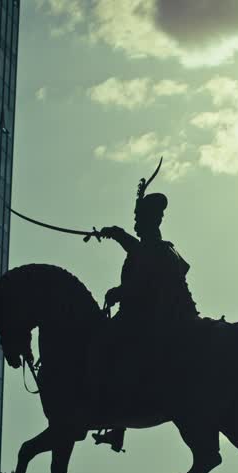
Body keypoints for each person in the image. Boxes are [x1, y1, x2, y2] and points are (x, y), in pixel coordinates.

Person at [91, 191, 198, 451]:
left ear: (151, 220)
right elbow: (135, 248)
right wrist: (115, 233)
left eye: (139, 217)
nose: (136, 222)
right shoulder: (150, 247)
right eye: (135, 217)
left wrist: (119, 292)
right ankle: (117, 429)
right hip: (145, 315)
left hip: (146, 317)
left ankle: (111, 415)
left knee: (103, 344)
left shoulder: (155, 250)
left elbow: (144, 284)